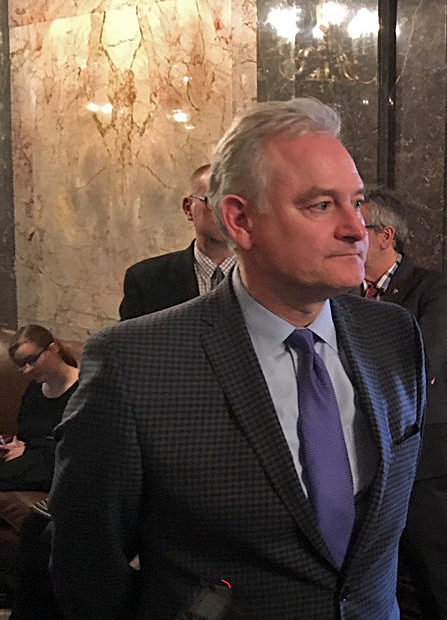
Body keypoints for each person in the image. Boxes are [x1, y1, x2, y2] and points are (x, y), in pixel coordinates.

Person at [50, 98, 427, 619]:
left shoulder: (393, 334)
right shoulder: (135, 364)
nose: (356, 229)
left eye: (356, 203)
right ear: (240, 219)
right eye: (321, 205)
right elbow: (86, 574)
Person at [361, 186, 447, 619]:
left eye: (358, 228)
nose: (347, 237)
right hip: (363, 456)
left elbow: (423, 359)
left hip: (424, 455)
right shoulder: (342, 292)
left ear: (385, 236)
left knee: (437, 575)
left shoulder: (432, 287)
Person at [119, 164, 236, 320]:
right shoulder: (146, 280)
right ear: (188, 208)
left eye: (235, 204)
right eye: (214, 201)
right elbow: (129, 343)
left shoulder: (273, 277)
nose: (226, 212)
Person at [2, 325, 78, 492]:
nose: (27, 369)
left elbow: (74, 445)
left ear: (53, 348)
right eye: (21, 365)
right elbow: (26, 430)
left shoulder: (83, 390)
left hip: (61, 465)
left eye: (32, 360)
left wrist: (28, 449)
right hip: (34, 458)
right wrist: (17, 444)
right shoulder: (35, 390)